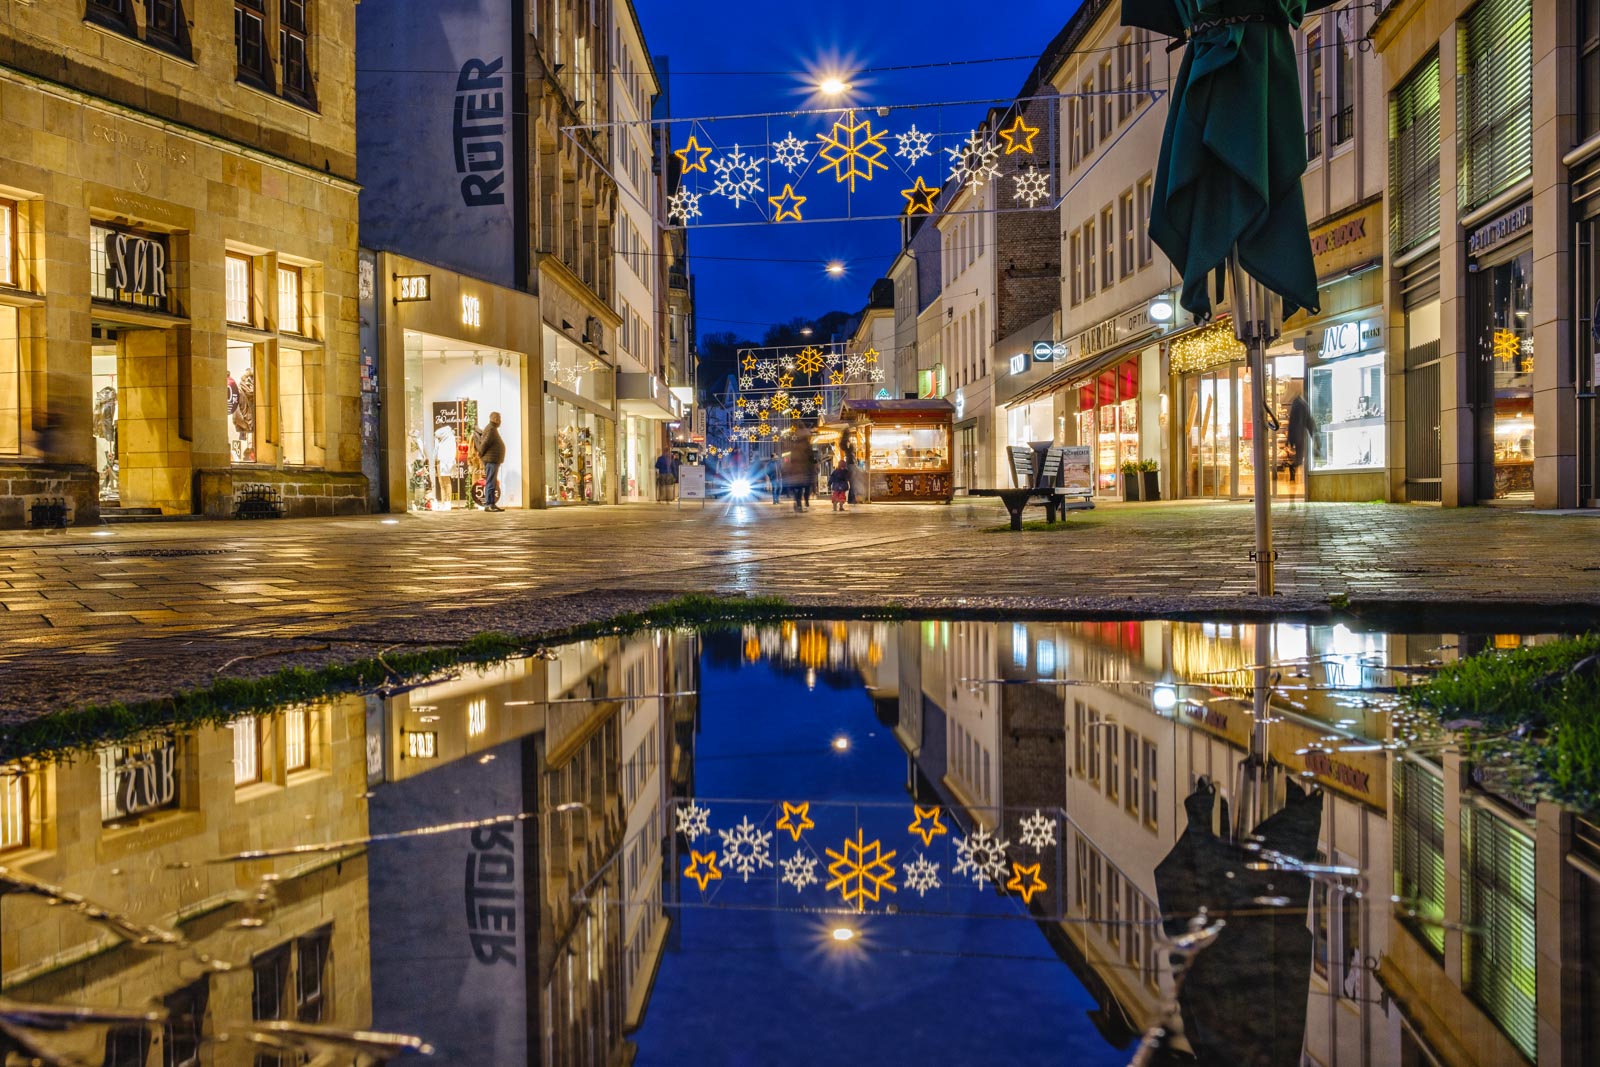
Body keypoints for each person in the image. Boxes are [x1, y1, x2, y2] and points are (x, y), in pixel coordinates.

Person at [476, 412, 507, 511]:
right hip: (491, 460)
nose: (500, 421)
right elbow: (485, 443)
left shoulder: (492, 428)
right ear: (494, 419)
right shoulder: (491, 429)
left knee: (492, 482)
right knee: (490, 482)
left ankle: (491, 504)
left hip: (493, 460)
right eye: (498, 418)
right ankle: (489, 504)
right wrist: (480, 453)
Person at [1286, 393, 1316, 491]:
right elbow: (1308, 421)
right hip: (1300, 435)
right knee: (1300, 458)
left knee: (1300, 457)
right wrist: (1313, 435)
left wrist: (1289, 439)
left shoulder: (1297, 404)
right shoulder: (1302, 405)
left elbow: (1291, 422)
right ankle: (1293, 467)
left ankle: (1293, 468)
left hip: (1296, 434)